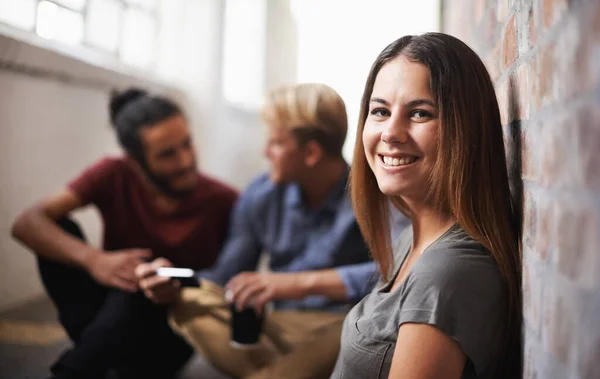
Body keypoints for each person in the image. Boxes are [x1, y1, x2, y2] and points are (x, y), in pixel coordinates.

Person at [137, 83, 391, 379]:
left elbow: (399, 273)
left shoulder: (375, 194)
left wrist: (295, 284)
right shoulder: (260, 195)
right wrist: (174, 279)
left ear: (310, 152)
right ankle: (290, 370)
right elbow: (225, 276)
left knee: (362, 323)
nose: (265, 152)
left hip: (346, 324)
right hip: (277, 324)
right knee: (190, 301)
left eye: (276, 143)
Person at [329, 33, 522, 379]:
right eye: (380, 111)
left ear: (466, 128)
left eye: (419, 113)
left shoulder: (446, 274)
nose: (391, 132)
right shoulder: (412, 238)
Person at [11, 88, 238, 379]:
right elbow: (27, 223)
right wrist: (95, 260)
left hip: (168, 337)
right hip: (104, 322)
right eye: (168, 154)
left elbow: (231, 280)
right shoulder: (112, 173)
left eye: (188, 144)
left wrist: (174, 281)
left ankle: (75, 369)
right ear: (135, 161)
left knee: (145, 273)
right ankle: (92, 358)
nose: (185, 161)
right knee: (60, 231)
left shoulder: (224, 200)